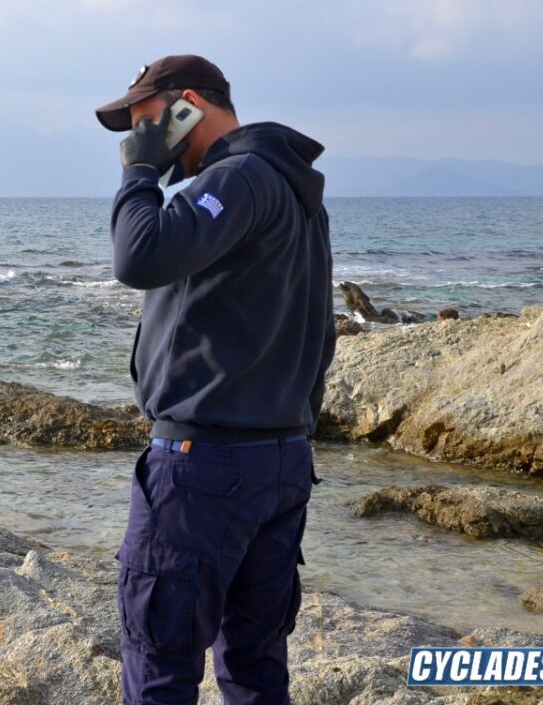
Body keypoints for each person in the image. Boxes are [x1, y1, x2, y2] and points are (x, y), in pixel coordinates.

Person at [96, 54, 335, 704]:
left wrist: (140, 173)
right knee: (256, 664)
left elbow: (138, 256)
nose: (139, 136)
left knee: (160, 662)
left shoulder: (238, 178)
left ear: (189, 105)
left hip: (204, 465)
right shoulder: (291, 187)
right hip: (280, 458)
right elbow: (319, 330)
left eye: (147, 120)